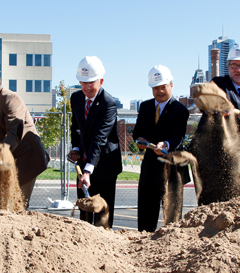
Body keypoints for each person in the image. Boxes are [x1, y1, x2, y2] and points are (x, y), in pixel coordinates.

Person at [0, 58, 49, 205]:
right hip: (5, 161)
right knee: (0, 204)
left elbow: (14, 132)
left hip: (26, 157)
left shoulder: (11, 99)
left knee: (16, 205)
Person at [133, 65, 189, 232]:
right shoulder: (145, 107)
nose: (160, 91)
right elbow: (137, 131)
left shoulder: (180, 110)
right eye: (155, 88)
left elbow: (177, 137)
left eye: (163, 87)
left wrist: (165, 144)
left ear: (171, 85)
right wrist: (140, 140)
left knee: (172, 221)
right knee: (145, 220)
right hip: (150, 169)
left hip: (172, 170)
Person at [68, 56, 122, 228]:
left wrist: (87, 171)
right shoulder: (76, 99)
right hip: (84, 161)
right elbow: (76, 127)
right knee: (85, 212)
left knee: (102, 216)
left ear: (101, 81)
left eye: (91, 82)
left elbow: (99, 139)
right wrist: (76, 148)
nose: (87, 87)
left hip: (105, 164)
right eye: (83, 82)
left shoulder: (108, 103)